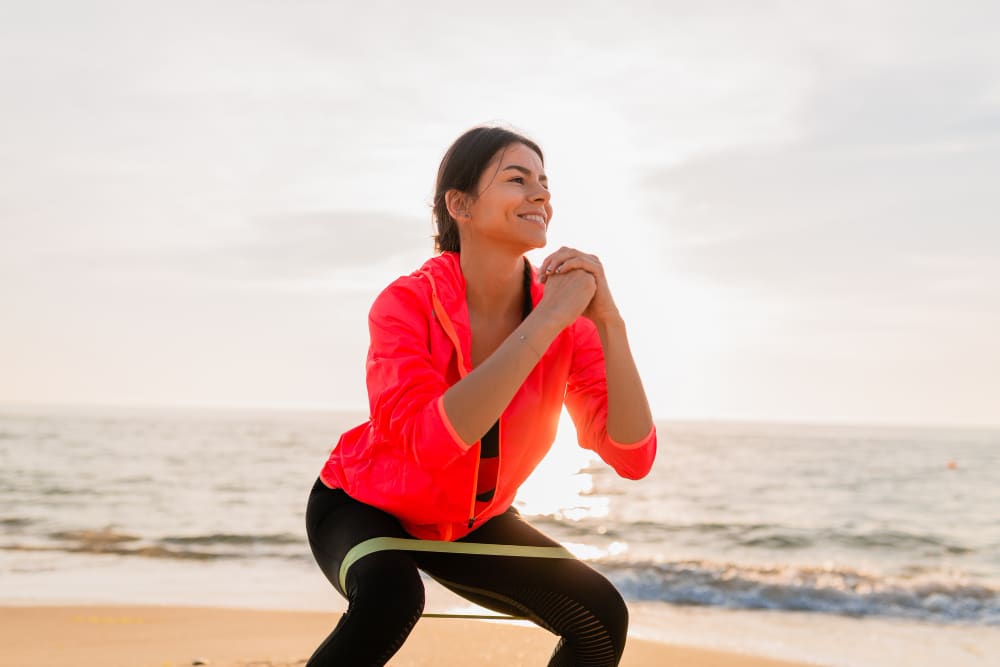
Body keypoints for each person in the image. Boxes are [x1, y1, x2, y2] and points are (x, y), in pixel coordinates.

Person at [305, 125, 657, 666]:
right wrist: (546, 320)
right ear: (461, 205)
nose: (540, 193)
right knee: (392, 598)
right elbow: (431, 441)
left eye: (544, 181)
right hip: (362, 505)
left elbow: (631, 455)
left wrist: (609, 323)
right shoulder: (405, 303)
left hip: (470, 521)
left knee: (602, 616)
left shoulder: (566, 319)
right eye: (518, 179)